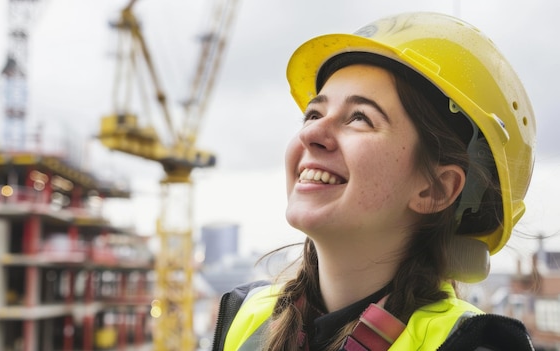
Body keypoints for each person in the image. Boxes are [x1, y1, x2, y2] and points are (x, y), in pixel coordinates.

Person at [211, 11, 536, 351]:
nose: (311, 133)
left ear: (435, 188)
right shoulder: (245, 317)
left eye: (359, 118)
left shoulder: (469, 345)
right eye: (313, 114)